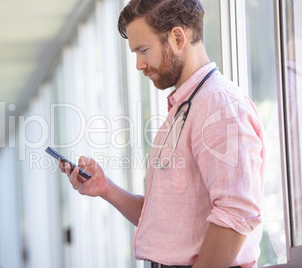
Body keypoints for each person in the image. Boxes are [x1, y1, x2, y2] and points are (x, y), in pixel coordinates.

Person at [59, 0, 265, 267]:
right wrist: (105, 188)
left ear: (178, 38)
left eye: (143, 50)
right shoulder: (184, 108)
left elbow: (237, 213)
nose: (138, 64)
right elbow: (167, 221)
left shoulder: (220, 106)